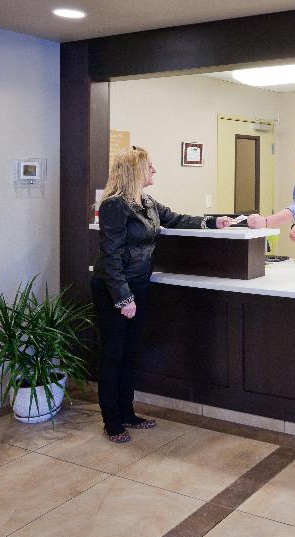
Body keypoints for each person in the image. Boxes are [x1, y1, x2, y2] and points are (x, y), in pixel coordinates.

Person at [91, 146, 232, 443]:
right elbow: (111, 256)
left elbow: (176, 218)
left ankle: (128, 413)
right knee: (113, 355)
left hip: (139, 285)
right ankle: (112, 421)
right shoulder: (115, 206)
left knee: (130, 353)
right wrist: (123, 298)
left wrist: (212, 222)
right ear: (134, 171)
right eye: (149, 166)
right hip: (114, 289)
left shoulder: (146, 202)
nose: (154, 170)